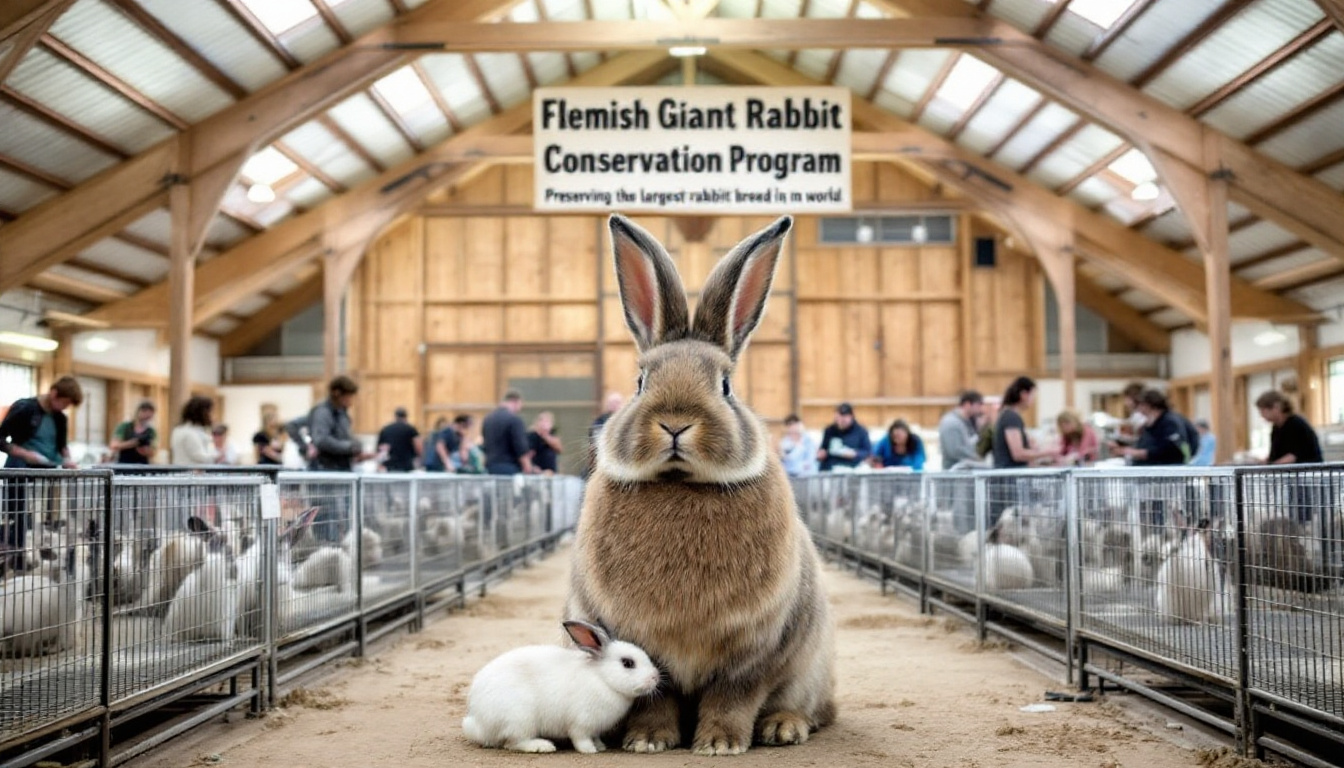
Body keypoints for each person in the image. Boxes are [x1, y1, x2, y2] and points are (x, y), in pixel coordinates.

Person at [1, 376, 83, 568]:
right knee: (20, 514)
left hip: (47, 470)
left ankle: (44, 552)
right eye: (64, 402)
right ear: (54, 393)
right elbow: (1, 439)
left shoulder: (60, 418)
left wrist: (68, 460)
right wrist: (24, 453)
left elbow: (62, 446)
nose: (64, 407)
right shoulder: (24, 408)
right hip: (21, 467)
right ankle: (17, 555)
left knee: (47, 515)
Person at [309, 375, 374, 472]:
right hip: (327, 468)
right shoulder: (323, 412)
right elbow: (322, 440)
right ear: (337, 394)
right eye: (349, 396)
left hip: (341, 466)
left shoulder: (342, 414)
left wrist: (356, 451)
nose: (351, 401)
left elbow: (342, 437)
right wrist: (350, 447)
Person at [1109, 389, 1189, 466]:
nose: (1139, 409)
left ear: (1149, 405)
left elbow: (1168, 449)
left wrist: (1138, 453)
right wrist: (1124, 448)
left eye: (1141, 405)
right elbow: (1145, 443)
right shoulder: (1152, 422)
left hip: (1166, 466)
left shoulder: (1170, 422)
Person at [992, 376, 1053, 469]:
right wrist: (1048, 452)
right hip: (1010, 475)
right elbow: (1018, 454)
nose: (1033, 401)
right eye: (1032, 396)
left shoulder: (1009, 415)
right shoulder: (1011, 417)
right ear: (1024, 395)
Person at [1257, 390, 1322, 465]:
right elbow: (1276, 454)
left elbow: (1293, 456)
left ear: (1276, 407)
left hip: (1306, 471)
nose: (1261, 415)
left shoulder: (1296, 424)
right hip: (1288, 472)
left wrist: (1271, 467)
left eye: (1263, 410)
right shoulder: (1276, 428)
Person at [481, 390, 533, 476]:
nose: (520, 409)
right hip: (509, 468)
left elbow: (485, 444)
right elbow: (520, 447)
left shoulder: (488, 419)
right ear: (515, 401)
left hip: (490, 467)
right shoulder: (515, 420)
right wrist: (528, 467)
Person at [938, 390, 984, 470]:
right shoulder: (951, 423)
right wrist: (978, 459)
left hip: (965, 469)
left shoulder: (967, 422)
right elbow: (954, 451)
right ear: (967, 404)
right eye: (978, 405)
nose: (980, 409)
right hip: (955, 472)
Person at [817, 403, 871, 471]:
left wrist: (855, 454)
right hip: (832, 466)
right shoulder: (830, 430)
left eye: (843, 420)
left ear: (851, 417)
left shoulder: (861, 431)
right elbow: (824, 448)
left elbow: (867, 452)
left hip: (853, 467)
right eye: (838, 420)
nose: (840, 423)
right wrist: (822, 454)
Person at [171, 396, 218, 464]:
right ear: (203, 413)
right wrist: (217, 457)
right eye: (211, 412)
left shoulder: (180, 430)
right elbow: (200, 456)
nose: (213, 416)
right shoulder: (190, 433)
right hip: (190, 472)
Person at [109, 399, 157, 465]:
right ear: (138, 412)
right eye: (145, 413)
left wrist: (145, 451)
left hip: (142, 465)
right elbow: (114, 445)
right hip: (124, 465)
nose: (147, 418)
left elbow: (153, 452)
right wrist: (131, 443)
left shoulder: (151, 431)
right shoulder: (125, 427)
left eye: (149, 416)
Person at [376, 407, 421, 473]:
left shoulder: (385, 429)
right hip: (406, 465)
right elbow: (418, 446)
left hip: (389, 465)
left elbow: (380, 449)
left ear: (395, 416)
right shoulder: (410, 429)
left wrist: (380, 464)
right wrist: (420, 459)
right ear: (406, 417)